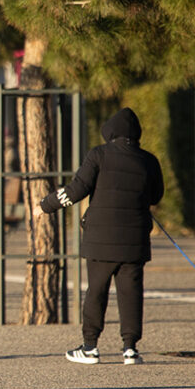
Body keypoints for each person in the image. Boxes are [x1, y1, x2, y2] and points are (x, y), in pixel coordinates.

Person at [33, 107, 164, 365]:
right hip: (135, 240)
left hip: (101, 240)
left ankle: (90, 347)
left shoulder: (99, 155)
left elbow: (76, 190)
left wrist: (45, 205)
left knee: (96, 291)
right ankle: (130, 349)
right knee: (131, 293)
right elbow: (156, 196)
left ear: (110, 132)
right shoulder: (149, 160)